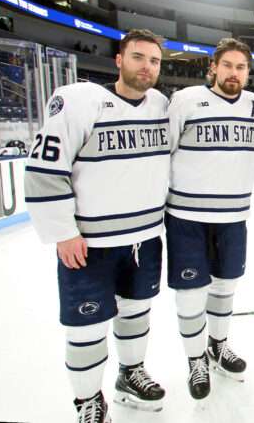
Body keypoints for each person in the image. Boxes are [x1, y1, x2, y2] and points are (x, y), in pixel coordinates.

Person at [25, 29, 169, 423]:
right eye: (138, 57)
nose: (147, 67)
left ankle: (130, 373)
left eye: (154, 61)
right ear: (119, 60)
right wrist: (62, 231)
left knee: (135, 314)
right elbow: (43, 171)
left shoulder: (159, 104)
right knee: (86, 326)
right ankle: (88, 400)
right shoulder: (78, 101)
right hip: (89, 243)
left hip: (144, 239)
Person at [166, 38, 254, 399]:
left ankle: (218, 345)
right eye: (228, 65)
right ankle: (195, 360)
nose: (234, 73)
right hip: (187, 216)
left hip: (234, 216)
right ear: (213, 68)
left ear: (248, 72)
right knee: (191, 295)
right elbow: (166, 148)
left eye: (241, 67)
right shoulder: (186, 100)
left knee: (225, 288)